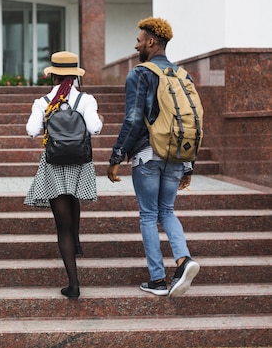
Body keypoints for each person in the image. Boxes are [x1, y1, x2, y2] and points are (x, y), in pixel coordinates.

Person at [107, 16, 200, 298]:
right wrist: (189, 165)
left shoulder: (141, 73)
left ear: (150, 41)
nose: (135, 46)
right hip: (176, 155)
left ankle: (158, 280)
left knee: (148, 215)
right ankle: (184, 260)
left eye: (138, 40)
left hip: (148, 155)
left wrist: (116, 156)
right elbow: (192, 121)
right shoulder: (182, 75)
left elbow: (134, 120)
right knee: (167, 211)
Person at [24, 51, 104, 300]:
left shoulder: (44, 101)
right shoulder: (86, 99)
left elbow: (31, 131)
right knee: (74, 200)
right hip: (80, 163)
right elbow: (95, 128)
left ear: (53, 75)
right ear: (75, 75)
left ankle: (74, 284)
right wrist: (98, 117)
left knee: (62, 228)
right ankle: (77, 242)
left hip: (54, 164)